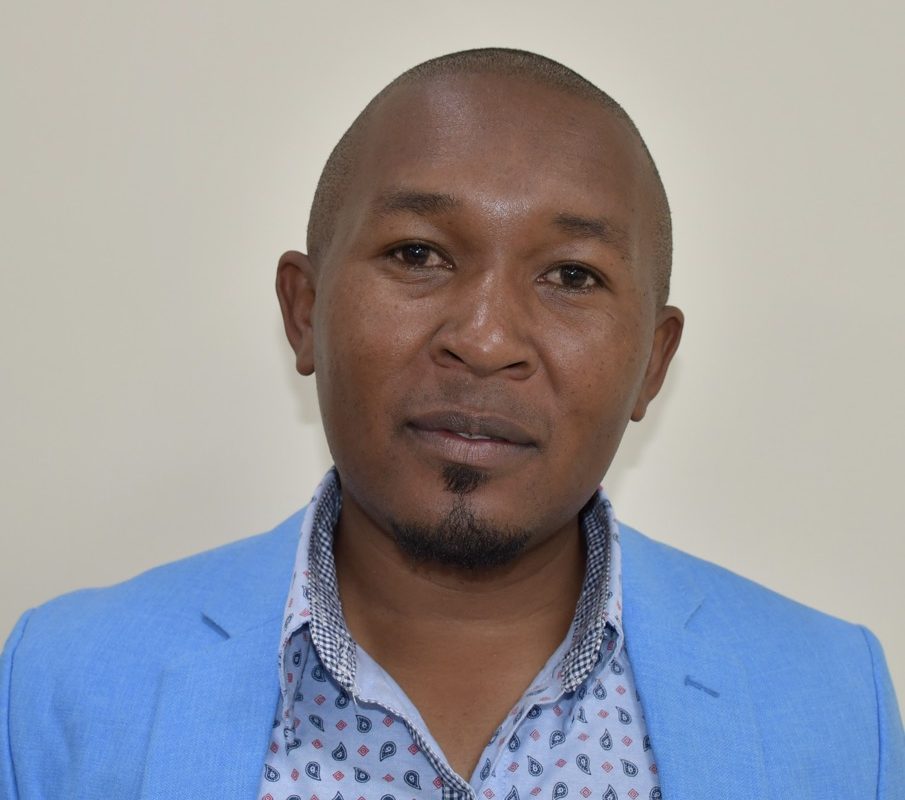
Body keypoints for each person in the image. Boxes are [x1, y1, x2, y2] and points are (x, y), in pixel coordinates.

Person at [1, 47, 902, 800]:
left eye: (572, 276)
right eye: (417, 254)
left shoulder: (832, 701)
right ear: (303, 311)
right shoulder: (61, 683)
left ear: (652, 363)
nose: (484, 339)